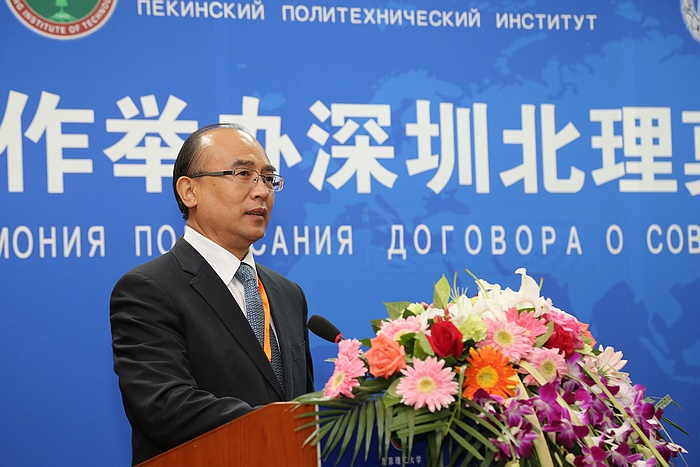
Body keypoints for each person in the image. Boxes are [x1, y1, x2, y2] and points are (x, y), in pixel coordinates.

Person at [110, 123, 314, 465]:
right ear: (189, 191)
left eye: (268, 178)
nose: (261, 191)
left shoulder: (288, 293)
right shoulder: (147, 289)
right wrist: (280, 425)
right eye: (243, 174)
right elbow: (167, 407)